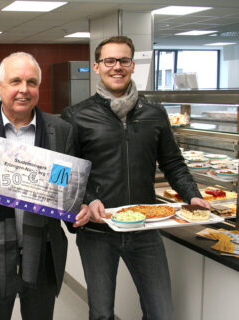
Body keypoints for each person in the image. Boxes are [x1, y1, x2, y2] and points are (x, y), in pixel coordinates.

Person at [61, 36, 211, 320]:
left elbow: (173, 163)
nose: (117, 67)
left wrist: (193, 196)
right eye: (109, 61)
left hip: (145, 227)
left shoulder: (154, 113)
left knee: (161, 312)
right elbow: (68, 173)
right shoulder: (76, 116)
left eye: (123, 61)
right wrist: (89, 200)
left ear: (132, 65)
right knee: (102, 313)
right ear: (97, 66)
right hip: (98, 230)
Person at [0, 52, 89, 320]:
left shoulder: (62, 130)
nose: (24, 90)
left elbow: (66, 186)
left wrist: (76, 208)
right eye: (15, 81)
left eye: (31, 82)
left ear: (38, 87)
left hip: (43, 255)